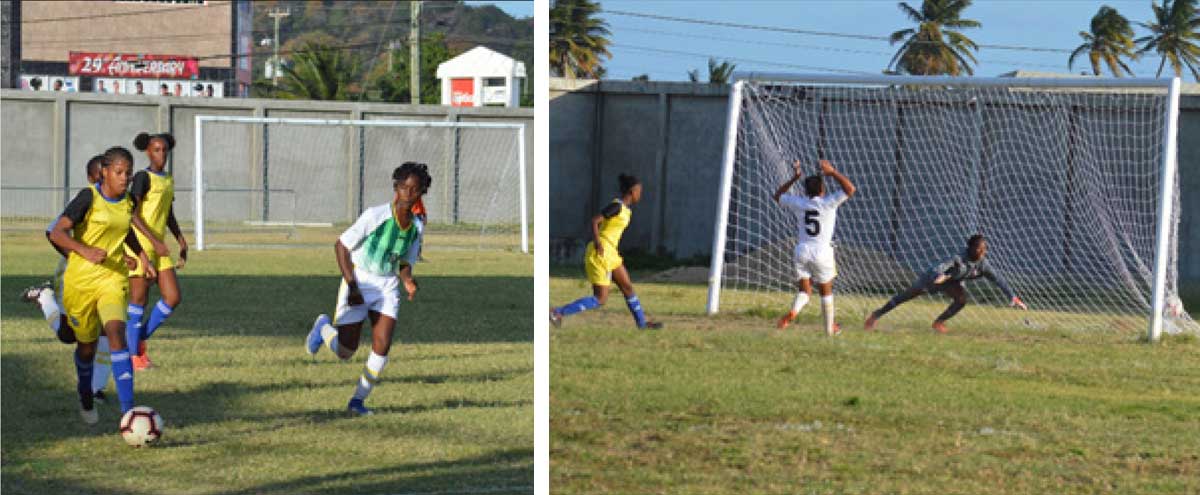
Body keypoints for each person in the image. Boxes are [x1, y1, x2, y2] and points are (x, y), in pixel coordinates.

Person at [305, 162, 429, 416]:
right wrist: (352, 286)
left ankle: (357, 402)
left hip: (387, 287)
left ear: (421, 193)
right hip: (360, 280)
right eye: (404, 188)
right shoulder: (376, 215)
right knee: (345, 351)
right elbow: (341, 246)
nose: (408, 194)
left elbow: (405, 260)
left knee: (382, 344)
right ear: (395, 188)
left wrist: (407, 280)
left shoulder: (416, 227)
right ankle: (323, 327)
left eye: (414, 190)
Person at [47, 146, 156, 423]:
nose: (124, 178)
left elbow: (125, 230)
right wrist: (84, 250)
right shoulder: (88, 197)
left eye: (128, 174)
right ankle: (85, 391)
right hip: (80, 282)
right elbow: (57, 232)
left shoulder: (129, 201)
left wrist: (143, 257)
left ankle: (127, 412)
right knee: (85, 346)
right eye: (119, 172)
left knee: (116, 333)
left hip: (113, 278)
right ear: (105, 172)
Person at [21, 155, 126, 401]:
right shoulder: (86, 199)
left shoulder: (119, 202)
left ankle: (95, 388)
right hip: (76, 275)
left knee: (108, 328)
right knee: (69, 336)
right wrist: (78, 254)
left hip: (108, 274)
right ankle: (46, 298)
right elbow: (52, 230)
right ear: (92, 178)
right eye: (101, 175)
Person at [550, 174, 663, 330]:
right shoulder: (617, 206)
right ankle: (557, 312)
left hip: (611, 253)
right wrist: (597, 241)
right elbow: (595, 221)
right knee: (600, 298)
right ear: (632, 191)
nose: (640, 195)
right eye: (639, 191)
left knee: (627, 287)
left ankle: (642, 323)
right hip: (600, 252)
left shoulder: (626, 211)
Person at [864, 234, 1028, 334]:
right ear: (970, 248)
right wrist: (940, 276)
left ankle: (938, 323)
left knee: (962, 300)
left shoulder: (983, 264)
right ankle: (875, 316)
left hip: (951, 282)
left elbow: (998, 279)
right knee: (906, 296)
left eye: (983, 249)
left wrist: (1013, 297)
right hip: (932, 279)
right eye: (978, 249)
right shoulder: (958, 257)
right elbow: (942, 267)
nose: (981, 252)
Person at [125, 132, 188, 371]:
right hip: (140, 245)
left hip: (159, 245)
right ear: (147, 152)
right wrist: (154, 240)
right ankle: (134, 357)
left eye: (164, 150)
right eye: (156, 150)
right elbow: (132, 213)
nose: (161, 154)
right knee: (138, 301)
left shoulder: (168, 179)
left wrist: (181, 240)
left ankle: (136, 339)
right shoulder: (142, 177)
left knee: (173, 297)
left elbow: (168, 214)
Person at [774, 159, 856, 336]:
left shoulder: (799, 203)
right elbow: (850, 189)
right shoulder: (828, 202)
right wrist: (833, 172)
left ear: (805, 191)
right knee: (826, 292)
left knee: (805, 290)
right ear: (822, 190)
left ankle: (793, 312)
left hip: (801, 250)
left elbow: (778, 196)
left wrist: (794, 177)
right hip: (822, 252)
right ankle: (829, 331)